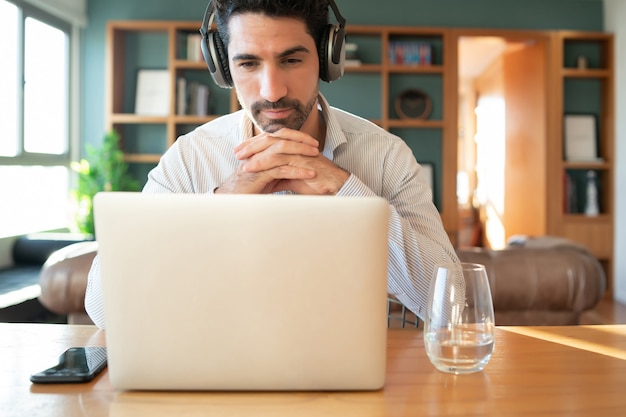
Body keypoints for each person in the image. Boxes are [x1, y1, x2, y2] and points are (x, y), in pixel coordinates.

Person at [84, 0, 459, 328]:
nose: (272, 91)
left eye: (291, 59)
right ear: (224, 68)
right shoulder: (191, 157)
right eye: (248, 63)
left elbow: (454, 303)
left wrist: (346, 191)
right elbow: (103, 307)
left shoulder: (385, 155)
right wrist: (217, 207)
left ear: (328, 59)